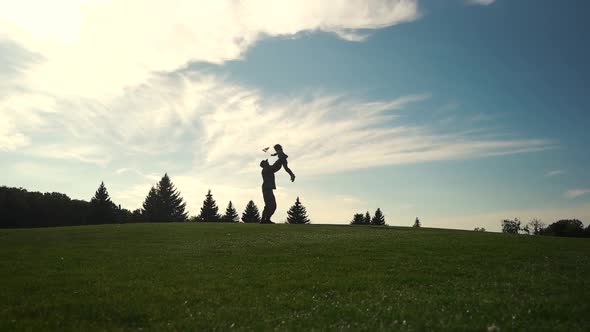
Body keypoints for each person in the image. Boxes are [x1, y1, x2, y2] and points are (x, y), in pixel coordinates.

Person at [260, 159, 282, 224]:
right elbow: (275, 167)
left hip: (268, 188)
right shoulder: (266, 169)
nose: (268, 162)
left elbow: (275, 167)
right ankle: (264, 220)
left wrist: (279, 161)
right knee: (270, 205)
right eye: (266, 162)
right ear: (264, 164)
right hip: (267, 189)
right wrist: (280, 160)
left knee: (271, 205)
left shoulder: (267, 169)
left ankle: (266, 219)